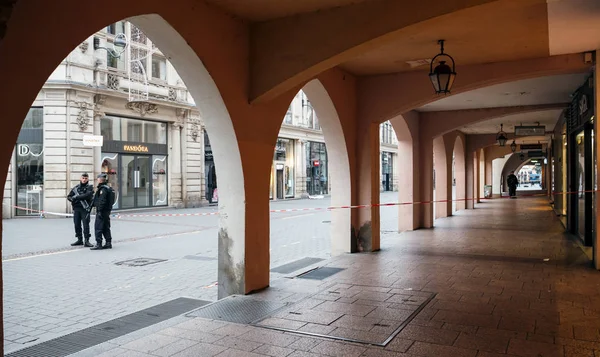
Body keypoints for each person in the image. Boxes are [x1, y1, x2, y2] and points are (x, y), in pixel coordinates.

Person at [67, 173, 94, 247]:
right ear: (80, 178)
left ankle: (87, 240)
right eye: (83, 178)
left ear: (88, 179)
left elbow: (87, 195)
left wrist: (76, 197)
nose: (84, 180)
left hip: (85, 209)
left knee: (86, 225)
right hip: (76, 208)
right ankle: (79, 239)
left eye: (86, 178)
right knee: (77, 224)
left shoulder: (89, 187)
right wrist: (72, 199)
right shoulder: (76, 188)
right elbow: (69, 196)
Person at [90, 173, 114, 250]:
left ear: (100, 180)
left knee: (98, 227)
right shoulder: (108, 188)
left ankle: (99, 243)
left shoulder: (103, 189)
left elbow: (102, 201)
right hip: (107, 211)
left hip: (102, 211)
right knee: (106, 227)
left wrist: (99, 210)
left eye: (98, 179)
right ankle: (108, 242)